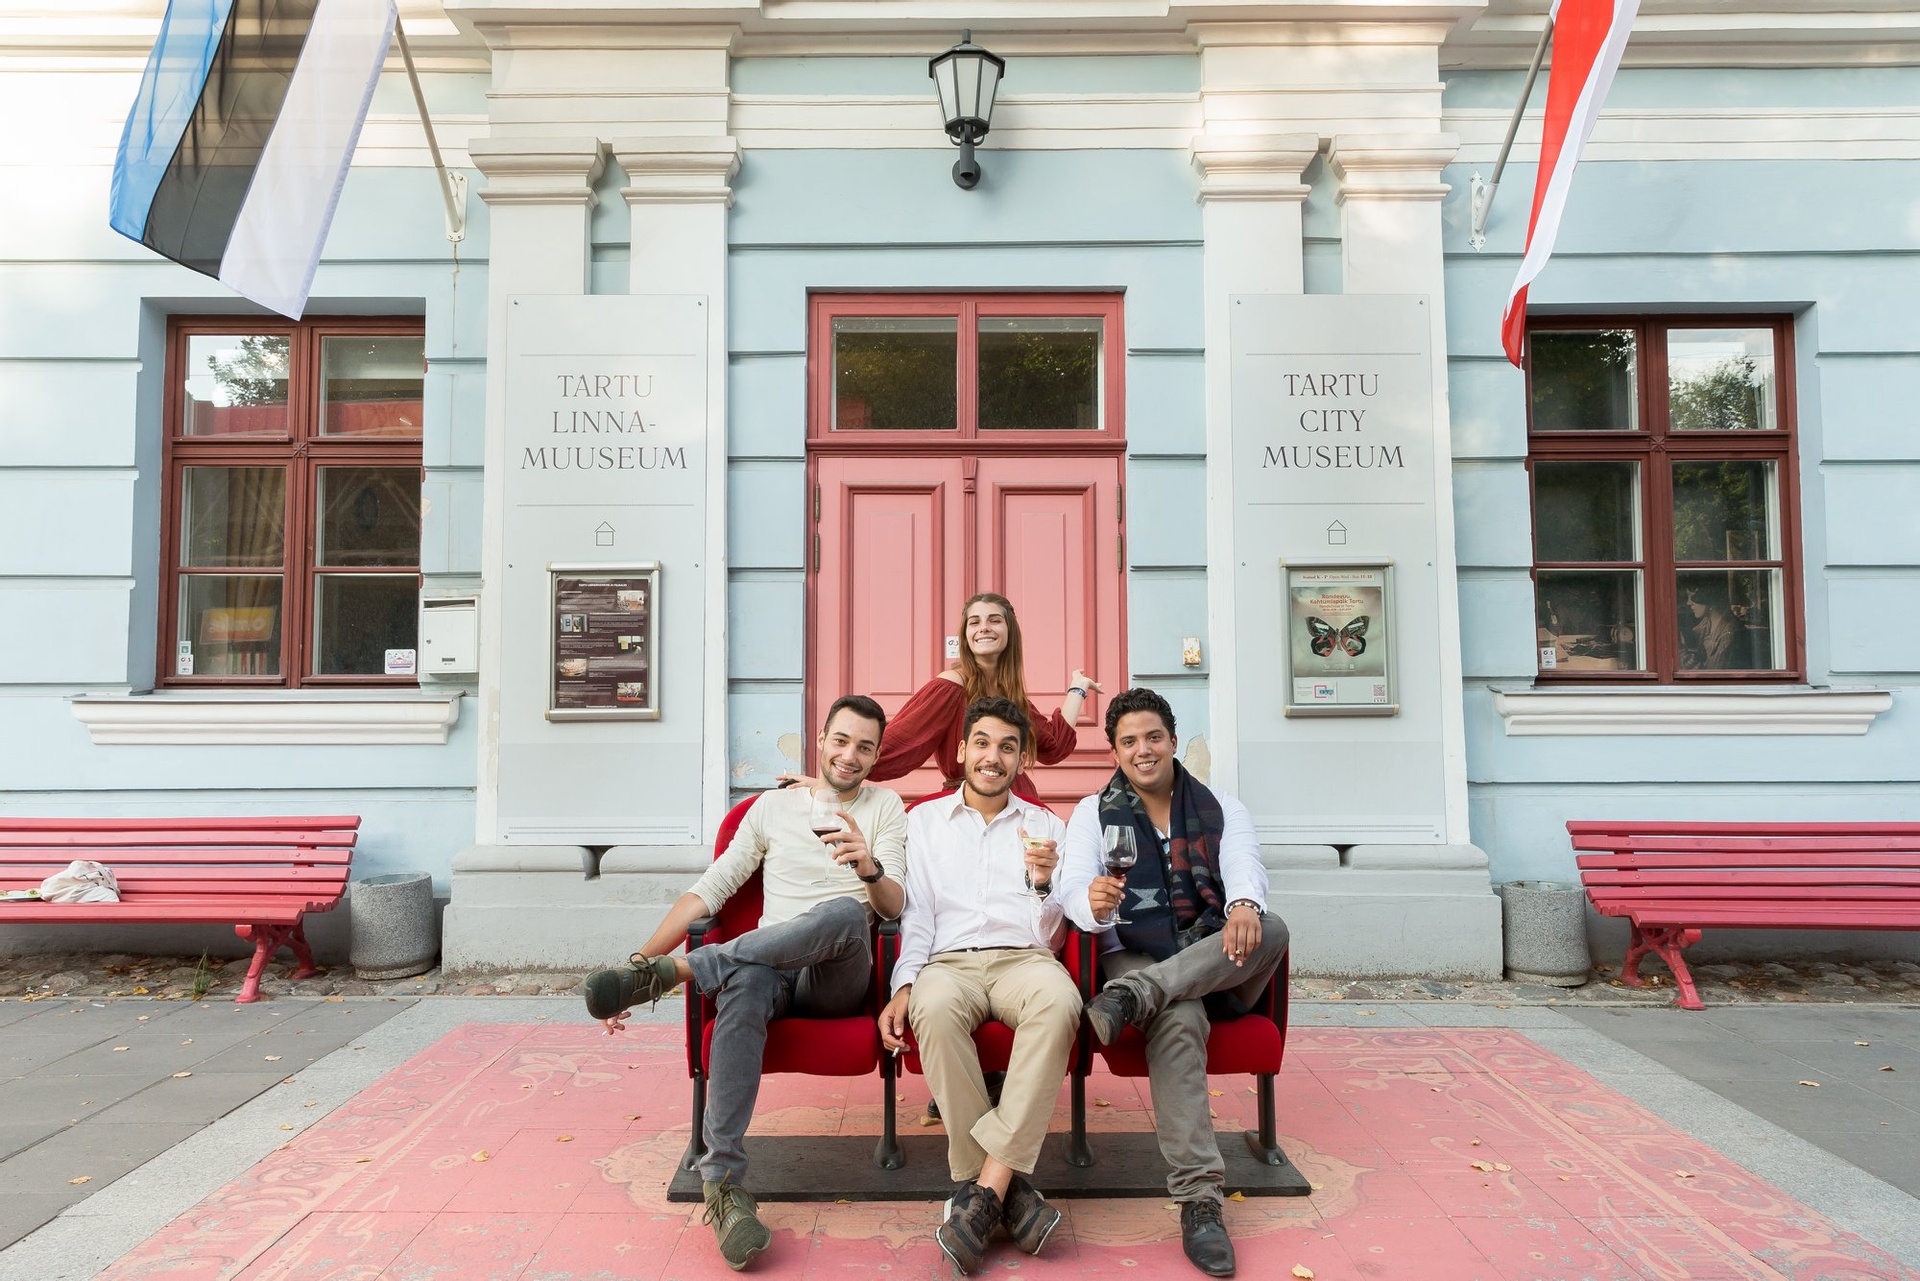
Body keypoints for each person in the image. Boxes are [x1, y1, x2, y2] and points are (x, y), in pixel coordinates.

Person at [582, 695, 907, 1272]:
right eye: (841, 740)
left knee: (841, 913)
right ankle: (725, 1189)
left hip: (839, 976)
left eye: (864, 746)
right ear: (822, 740)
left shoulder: (885, 807)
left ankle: (679, 974)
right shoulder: (768, 809)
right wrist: (637, 959)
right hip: (770, 971)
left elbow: (895, 904)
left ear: (878, 754)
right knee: (746, 982)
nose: (850, 755)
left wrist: (866, 866)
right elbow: (710, 891)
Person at [1056, 687, 1289, 1279]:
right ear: (1114, 749)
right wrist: (1092, 903)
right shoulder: (1092, 813)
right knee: (1179, 1019)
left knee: (1273, 926)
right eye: (1129, 740)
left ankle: (1138, 998)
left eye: (1153, 737)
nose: (1143, 750)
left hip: (1217, 955)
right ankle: (1200, 1201)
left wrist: (1241, 903)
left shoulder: (1218, 806)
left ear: (1172, 740)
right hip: (1132, 954)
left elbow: (1245, 865)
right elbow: (1072, 889)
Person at [878, 697, 1081, 1275]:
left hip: (1024, 959)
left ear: (1021, 761)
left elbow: (1049, 934)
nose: (995, 757)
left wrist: (1043, 887)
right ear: (963, 750)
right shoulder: (922, 822)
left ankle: (979, 1192)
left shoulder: (1046, 826)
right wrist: (904, 984)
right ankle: (1007, 1192)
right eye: (984, 744)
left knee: (1061, 1000)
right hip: (950, 962)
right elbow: (915, 917)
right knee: (933, 1010)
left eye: (1009, 748)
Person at [866, 592, 1101, 801]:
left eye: (995, 620)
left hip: (1018, 808)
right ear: (966, 634)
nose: (984, 627)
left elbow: (1054, 747)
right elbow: (893, 748)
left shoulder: (1010, 694)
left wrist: (1077, 689)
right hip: (966, 811)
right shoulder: (950, 686)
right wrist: (838, 764)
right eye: (974, 622)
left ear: (1010, 631)